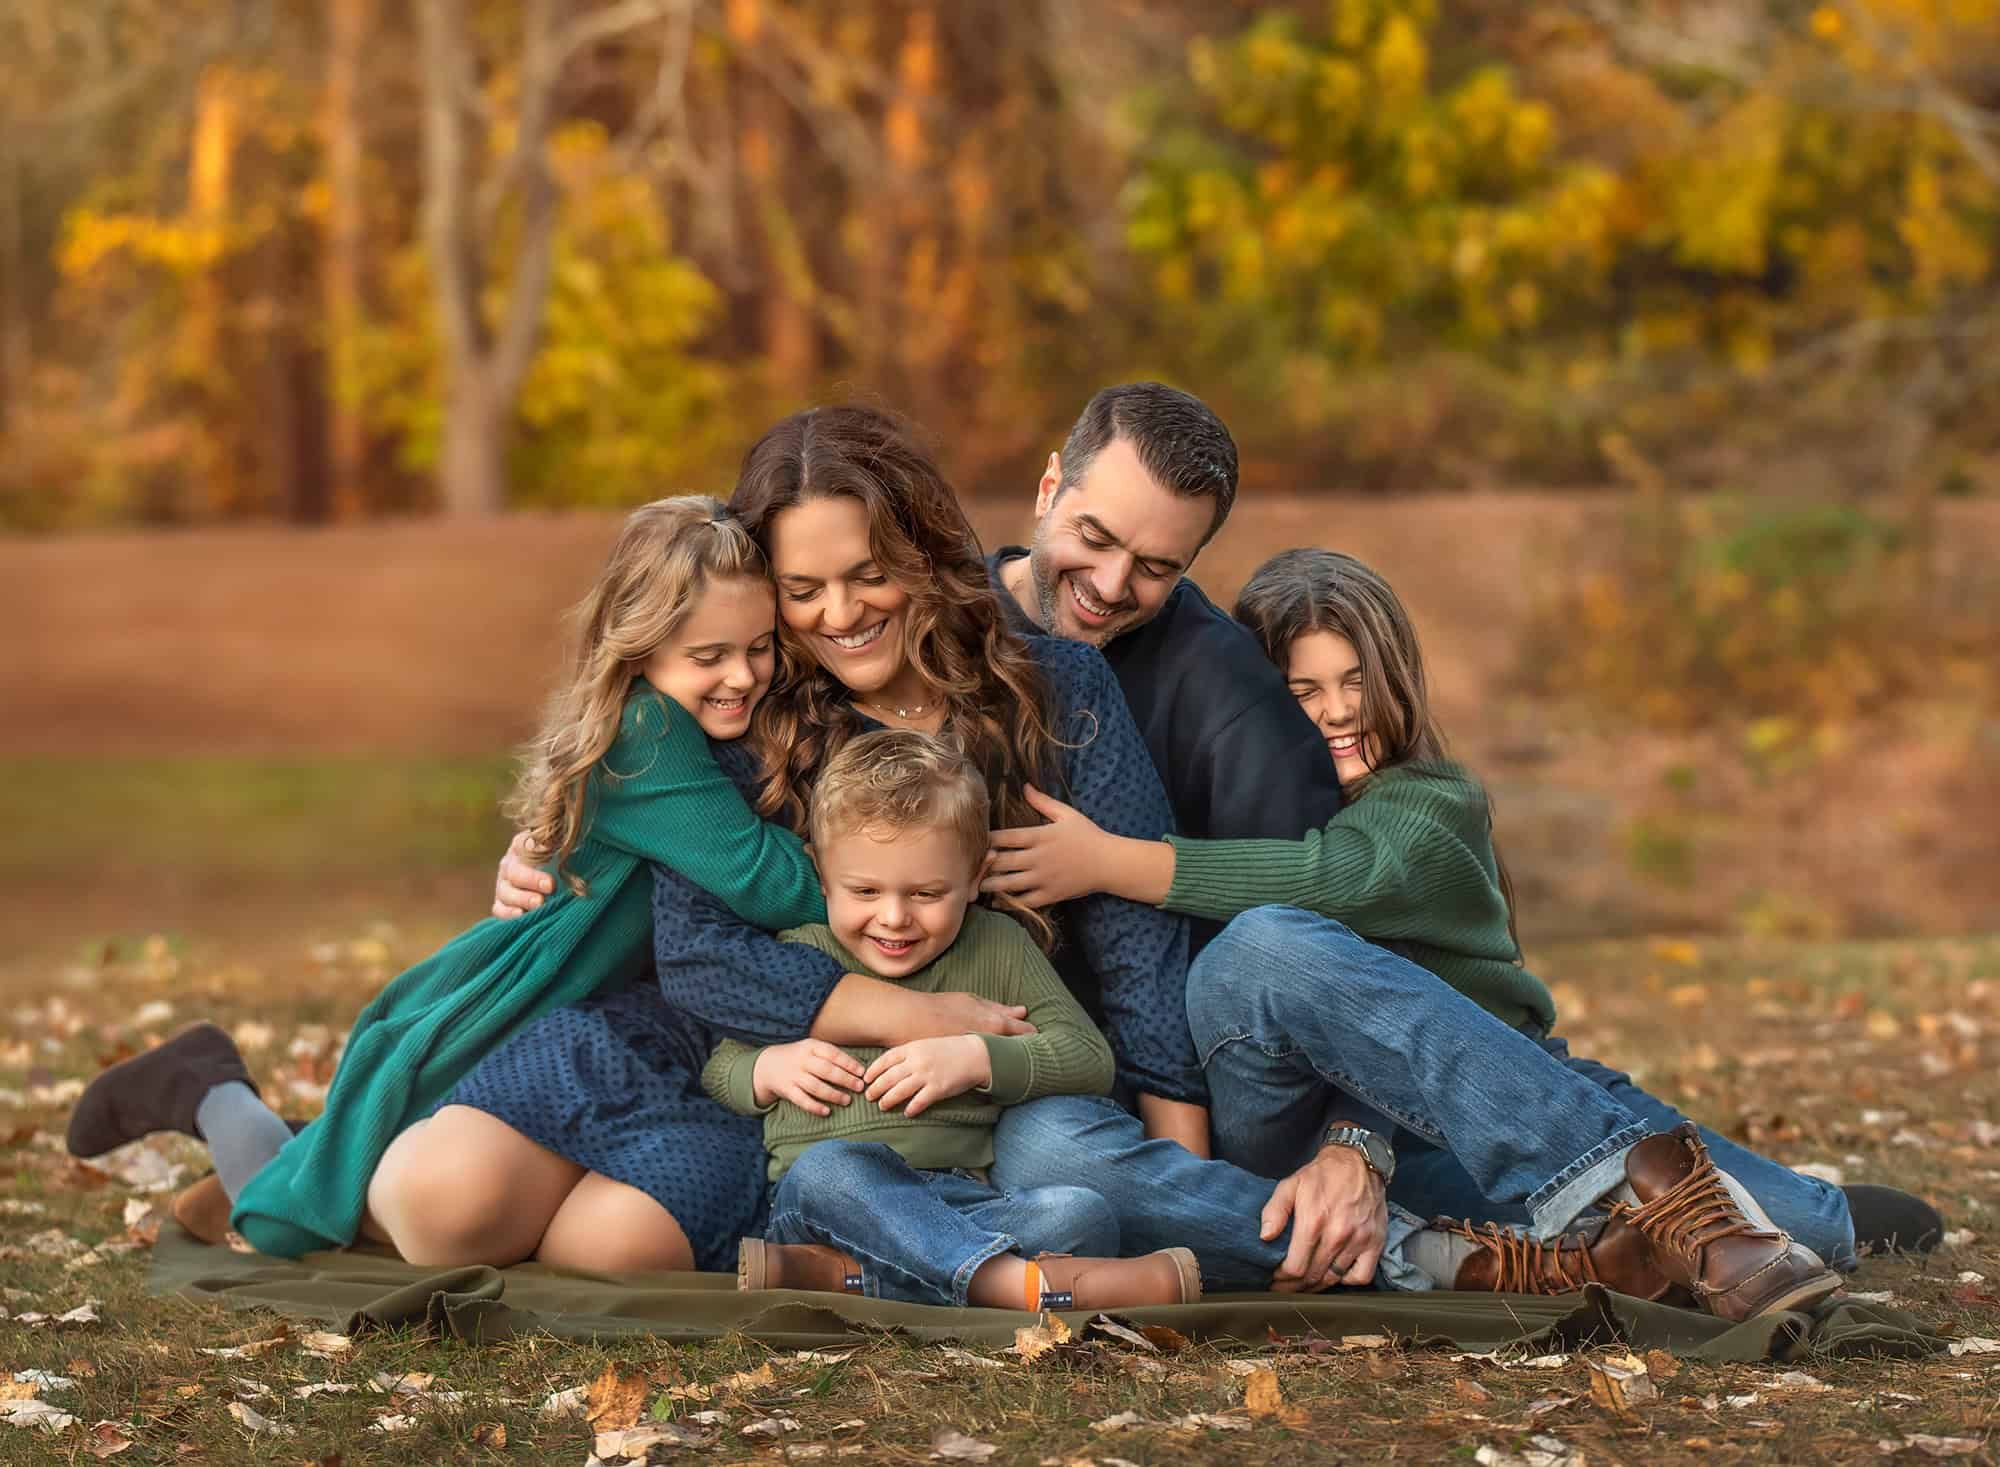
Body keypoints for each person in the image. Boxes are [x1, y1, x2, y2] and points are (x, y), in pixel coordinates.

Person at [982, 547, 1846, 1320]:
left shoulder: (1430, 804)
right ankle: (1620, 1186)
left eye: (1357, 681)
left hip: (1485, 1107)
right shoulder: (1236, 803)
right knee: (1261, 947)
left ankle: (1492, 1242)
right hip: (1284, 1103)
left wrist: (1110, 860)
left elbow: (1336, 878)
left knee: (1814, 1227)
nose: (1337, 713)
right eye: (1304, 691)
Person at [445, 403, 1209, 1276]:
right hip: (827, 1109)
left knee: (1066, 1162)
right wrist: (548, 843)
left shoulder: (1059, 688)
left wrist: (1180, 1164)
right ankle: (991, 1276)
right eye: (802, 592)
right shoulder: (754, 719)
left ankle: (1294, 1245)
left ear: (922, 551)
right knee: (799, 1191)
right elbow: (703, 956)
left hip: (1023, 1076)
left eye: (867, 575)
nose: (839, 613)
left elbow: (1139, 954)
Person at [65, 498, 826, 1262]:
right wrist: (907, 882)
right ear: (640, 649)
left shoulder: (695, 723)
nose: (743, 675)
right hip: (522, 999)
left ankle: (300, 1146)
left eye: (759, 646)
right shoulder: (650, 732)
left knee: (353, 1168)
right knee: (293, 1219)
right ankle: (211, 1088)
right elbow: (764, 878)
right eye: (709, 655)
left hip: (600, 1016)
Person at [714, 729, 1200, 1311]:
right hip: (829, 1202)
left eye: (926, 893)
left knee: (1082, 1213)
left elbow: (1088, 1059)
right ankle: (1012, 1285)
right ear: (820, 874)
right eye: (864, 890)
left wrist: (977, 1058)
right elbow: (720, 1069)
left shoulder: (998, 947)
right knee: (832, 1169)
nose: (893, 917)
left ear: (974, 877)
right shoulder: (799, 953)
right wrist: (768, 1066)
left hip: (963, 1199)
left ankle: (846, 1279)